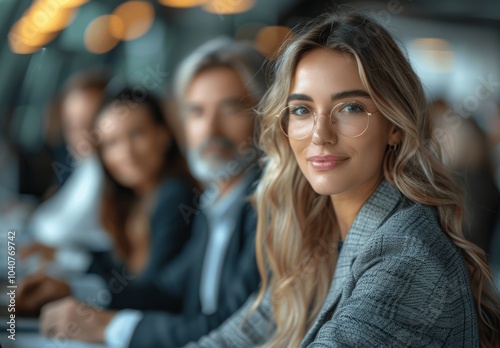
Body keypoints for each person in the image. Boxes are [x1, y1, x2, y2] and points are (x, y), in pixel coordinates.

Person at [186, 11, 500, 348]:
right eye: (302, 110)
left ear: (394, 126)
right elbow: (237, 337)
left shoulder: (408, 259)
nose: (320, 135)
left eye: (349, 108)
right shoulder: (318, 237)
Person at [39, 38, 267, 347]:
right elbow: (166, 291)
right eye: (197, 112)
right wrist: (76, 294)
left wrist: (111, 327)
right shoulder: (215, 202)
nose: (211, 130)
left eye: (231, 109)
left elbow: (233, 327)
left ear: (267, 115)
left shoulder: (269, 204)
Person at [19, 87, 195, 316]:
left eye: (137, 134)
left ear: (163, 135)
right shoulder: (138, 199)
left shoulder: (176, 197)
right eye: (112, 143)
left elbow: (158, 295)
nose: (126, 152)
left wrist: (75, 290)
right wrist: (61, 256)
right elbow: (119, 268)